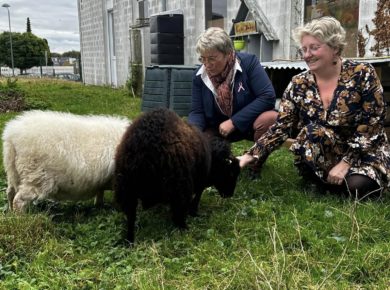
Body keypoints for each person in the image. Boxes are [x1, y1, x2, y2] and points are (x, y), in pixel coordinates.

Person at [238, 16, 390, 198]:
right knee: (312, 132)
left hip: (363, 151)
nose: (307, 55)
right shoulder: (298, 83)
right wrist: (249, 156)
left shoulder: (363, 74)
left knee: (356, 187)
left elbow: (372, 125)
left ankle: (339, 180)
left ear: (334, 48)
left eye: (314, 48)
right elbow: (281, 128)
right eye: (304, 49)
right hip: (324, 151)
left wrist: (345, 163)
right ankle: (326, 178)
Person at [188, 27, 278, 142]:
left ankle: (254, 157)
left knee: (269, 119)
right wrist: (191, 134)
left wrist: (234, 122)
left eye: (212, 59)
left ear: (228, 54)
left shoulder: (249, 63)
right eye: (203, 59)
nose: (207, 65)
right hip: (217, 128)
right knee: (199, 140)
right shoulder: (199, 76)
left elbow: (267, 96)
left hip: (249, 123)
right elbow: (197, 111)